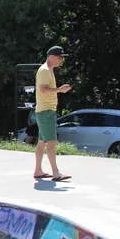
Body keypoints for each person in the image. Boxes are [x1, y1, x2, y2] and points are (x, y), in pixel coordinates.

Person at [33, 46, 72, 181]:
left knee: (42, 142)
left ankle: (38, 170)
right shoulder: (44, 70)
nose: (61, 60)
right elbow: (43, 90)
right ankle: (56, 173)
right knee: (51, 142)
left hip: (45, 111)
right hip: (46, 112)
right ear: (51, 56)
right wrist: (60, 90)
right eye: (59, 57)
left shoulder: (48, 70)